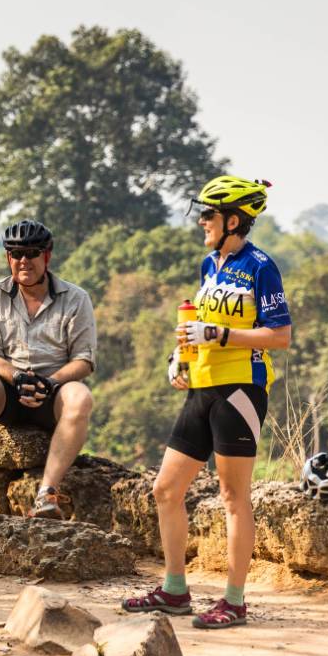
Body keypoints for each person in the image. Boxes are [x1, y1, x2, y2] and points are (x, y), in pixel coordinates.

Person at [121, 176, 291, 630]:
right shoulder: (209, 265)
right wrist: (178, 356)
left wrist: (220, 334)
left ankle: (234, 601)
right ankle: (175, 591)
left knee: (233, 497)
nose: (200, 221)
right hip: (202, 386)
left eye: (208, 214)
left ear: (233, 220)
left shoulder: (261, 266)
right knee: (166, 490)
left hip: (241, 390)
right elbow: (200, 325)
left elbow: (280, 336)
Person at [0, 220, 97, 519]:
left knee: (81, 397)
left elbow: (84, 360)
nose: (23, 261)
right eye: (16, 253)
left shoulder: (76, 298)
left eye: (32, 253)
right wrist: (16, 377)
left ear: (47, 256)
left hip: (54, 392)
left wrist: (50, 381)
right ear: (8, 258)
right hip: (9, 389)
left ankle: (47, 494)